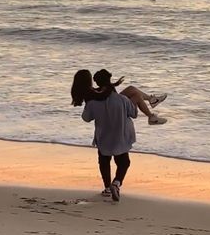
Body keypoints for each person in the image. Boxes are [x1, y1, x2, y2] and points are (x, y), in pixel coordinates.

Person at [81, 70, 138, 201]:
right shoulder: (122, 99)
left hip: (103, 137)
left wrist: (87, 102)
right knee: (124, 162)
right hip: (120, 137)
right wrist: (135, 100)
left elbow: (86, 118)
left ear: (97, 83)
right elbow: (134, 114)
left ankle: (107, 188)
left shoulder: (93, 102)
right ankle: (116, 183)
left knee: (104, 162)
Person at [71, 69, 167, 125]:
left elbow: (99, 91)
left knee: (131, 89)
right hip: (113, 106)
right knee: (136, 95)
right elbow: (102, 95)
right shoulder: (89, 92)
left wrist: (113, 84)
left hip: (112, 102)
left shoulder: (86, 90)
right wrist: (110, 86)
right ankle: (151, 115)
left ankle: (152, 102)